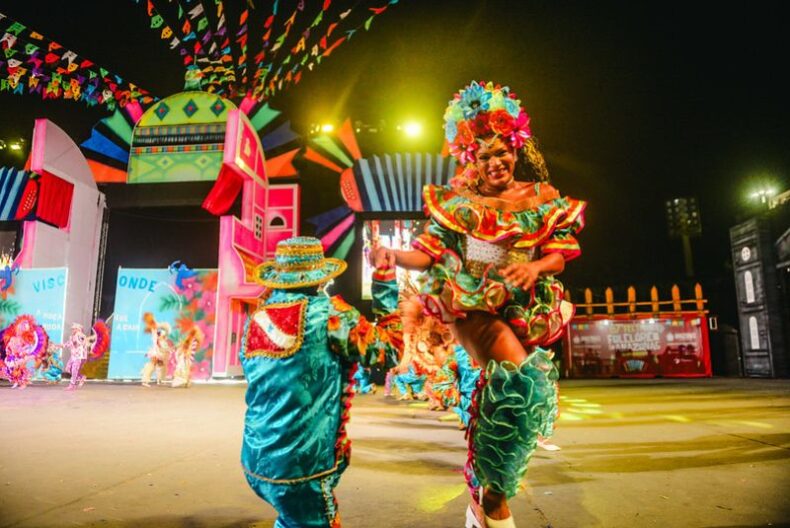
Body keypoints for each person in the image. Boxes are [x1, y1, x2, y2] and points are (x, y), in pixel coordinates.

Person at [371, 81, 585, 528]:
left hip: (525, 307)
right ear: (471, 159)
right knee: (522, 382)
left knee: (516, 403)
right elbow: (427, 253)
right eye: (483, 156)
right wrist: (394, 256)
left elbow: (559, 254)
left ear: (516, 148)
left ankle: (484, 495)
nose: (494, 163)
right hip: (471, 305)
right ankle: (495, 505)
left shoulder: (541, 197)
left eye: (501, 152)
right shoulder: (459, 204)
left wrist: (535, 268)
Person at [239, 236, 402, 528]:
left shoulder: (256, 318)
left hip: (256, 461)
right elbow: (390, 350)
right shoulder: (329, 315)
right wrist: (384, 279)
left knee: (291, 520)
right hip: (302, 469)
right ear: (321, 278)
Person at [140, 313, 174, 387]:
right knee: (152, 364)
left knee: (161, 365)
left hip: (162, 350)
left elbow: (167, 329)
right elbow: (156, 340)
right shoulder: (154, 331)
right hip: (156, 351)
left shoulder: (159, 328)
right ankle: (145, 380)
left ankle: (160, 379)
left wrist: (159, 326)